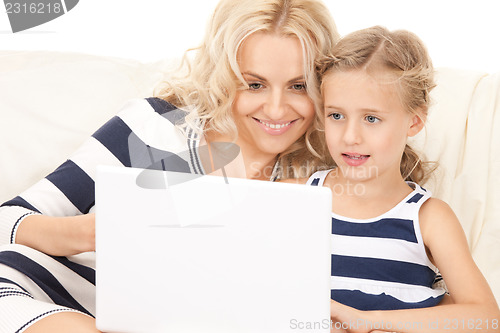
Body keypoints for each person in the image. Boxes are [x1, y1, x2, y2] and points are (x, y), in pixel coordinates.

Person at [0, 1, 339, 332]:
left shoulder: (323, 173)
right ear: (224, 77)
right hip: (43, 295)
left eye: (299, 86)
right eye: (254, 84)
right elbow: (7, 220)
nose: (277, 110)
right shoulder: (156, 127)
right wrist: (91, 232)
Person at [303, 26, 499, 332]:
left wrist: (368, 321)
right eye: (336, 115)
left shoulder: (428, 219)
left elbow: (486, 318)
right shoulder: (298, 199)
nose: (350, 137)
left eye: (371, 119)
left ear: (415, 121)